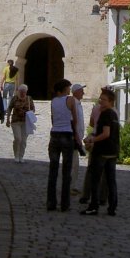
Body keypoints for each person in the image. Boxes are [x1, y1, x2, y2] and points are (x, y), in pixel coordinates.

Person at [81, 87, 120, 217]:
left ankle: (93, 206)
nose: (100, 101)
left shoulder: (106, 114)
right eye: (100, 99)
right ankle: (112, 207)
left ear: (110, 101)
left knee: (95, 179)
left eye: (103, 99)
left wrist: (93, 140)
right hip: (113, 151)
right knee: (111, 180)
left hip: (102, 150)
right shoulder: (114, 113)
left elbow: (106, 133)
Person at [47, 79, 81, 212]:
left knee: (53, 170)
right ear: (65, 89)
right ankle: (65, 203)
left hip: (54, 135)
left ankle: (51, 202)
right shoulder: (71, 100)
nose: (69, 89)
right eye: (68, 87)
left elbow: (53, 119)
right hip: (67, 135)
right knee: (66, 172)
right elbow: (75, 120)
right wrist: (77, 136)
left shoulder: (53, 101)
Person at [5, 83, 35, 162]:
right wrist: (7, 119)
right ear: (18, 91)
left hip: (26, 122)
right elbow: (9, 108)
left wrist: (30, 112)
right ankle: (16, 155)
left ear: (26, 92)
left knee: (24, 140)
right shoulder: (15, 98)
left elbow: (33, 109)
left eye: (24, 91)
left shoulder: (29, 99)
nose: (22, 93)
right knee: (18, 138)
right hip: (16, 121)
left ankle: (21, 156)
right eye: (21, 91)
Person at [70, 83, 86, 194]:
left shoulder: (78, 103)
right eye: (81, 91)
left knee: (75, 164)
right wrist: (76, 136)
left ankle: (73, 185)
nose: (83, 93)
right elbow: (73, 121)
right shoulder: (73, 104)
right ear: (75, 92)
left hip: (77, 137)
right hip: (74, 138)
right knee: (73, 163)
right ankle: (70, 186)